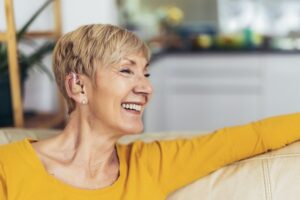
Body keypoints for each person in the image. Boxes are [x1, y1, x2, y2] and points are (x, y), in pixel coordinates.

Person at [1, 24, 300, 200]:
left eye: (146, 74)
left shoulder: (152, 164)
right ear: (78, 86)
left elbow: (252, 137)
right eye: (126, 71)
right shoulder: (8, 168)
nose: (145, 88)